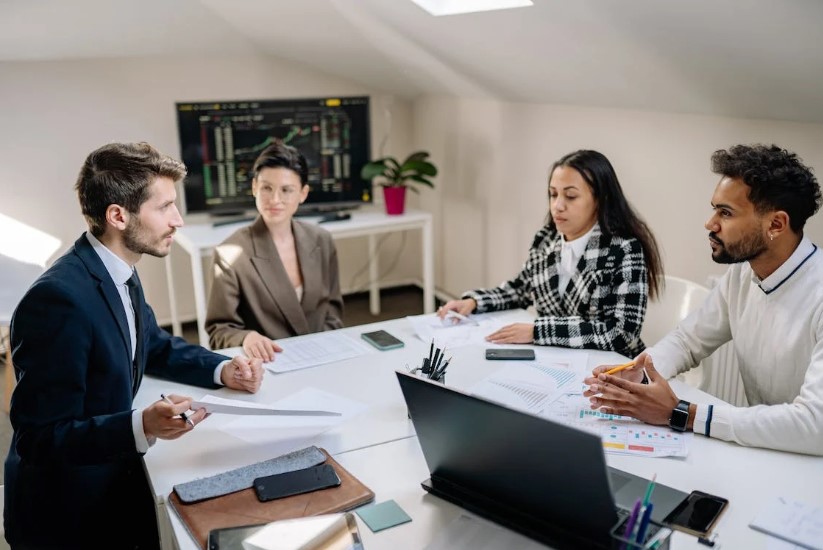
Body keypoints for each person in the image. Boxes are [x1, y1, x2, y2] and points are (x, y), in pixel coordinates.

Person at [4, 142, 265, 548]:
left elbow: (152, 343)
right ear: (118, 216)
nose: (178, 220)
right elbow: (40, 438)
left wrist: (221, 369)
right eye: (164, 208)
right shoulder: (58, 301)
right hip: (68, 512)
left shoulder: (117, 267)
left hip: (116, 476)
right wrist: (140, 424)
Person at [584, 144, 823, 456]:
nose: (710, 224)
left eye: (725, 213)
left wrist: (682, 413)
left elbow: (814, 425)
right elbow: (688, 340)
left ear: (776, 225)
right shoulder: (741, 275)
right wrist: (640, 371)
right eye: (715, 209)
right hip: (768, 452)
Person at [437, 149, 663, 358]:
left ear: (600, 200)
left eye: (571, 196)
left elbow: (622, 334)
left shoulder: (624, 249)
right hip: (554, 360)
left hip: (613, 370)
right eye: (553, 195)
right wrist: (474, 302)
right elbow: (522, 290)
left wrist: (538, 331)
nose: (557, 206)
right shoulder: (547, 238)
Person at [206, 140, 343, 361]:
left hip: (322, 357)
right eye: (267, 188)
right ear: (254, 188)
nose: (275, 199)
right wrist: (247, 337)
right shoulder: (229, 254)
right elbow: (220, 330)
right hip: (268, 364)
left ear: (303, 193)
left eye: (287, 190)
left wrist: (324, 350)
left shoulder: (322, 240)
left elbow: (333, 312)